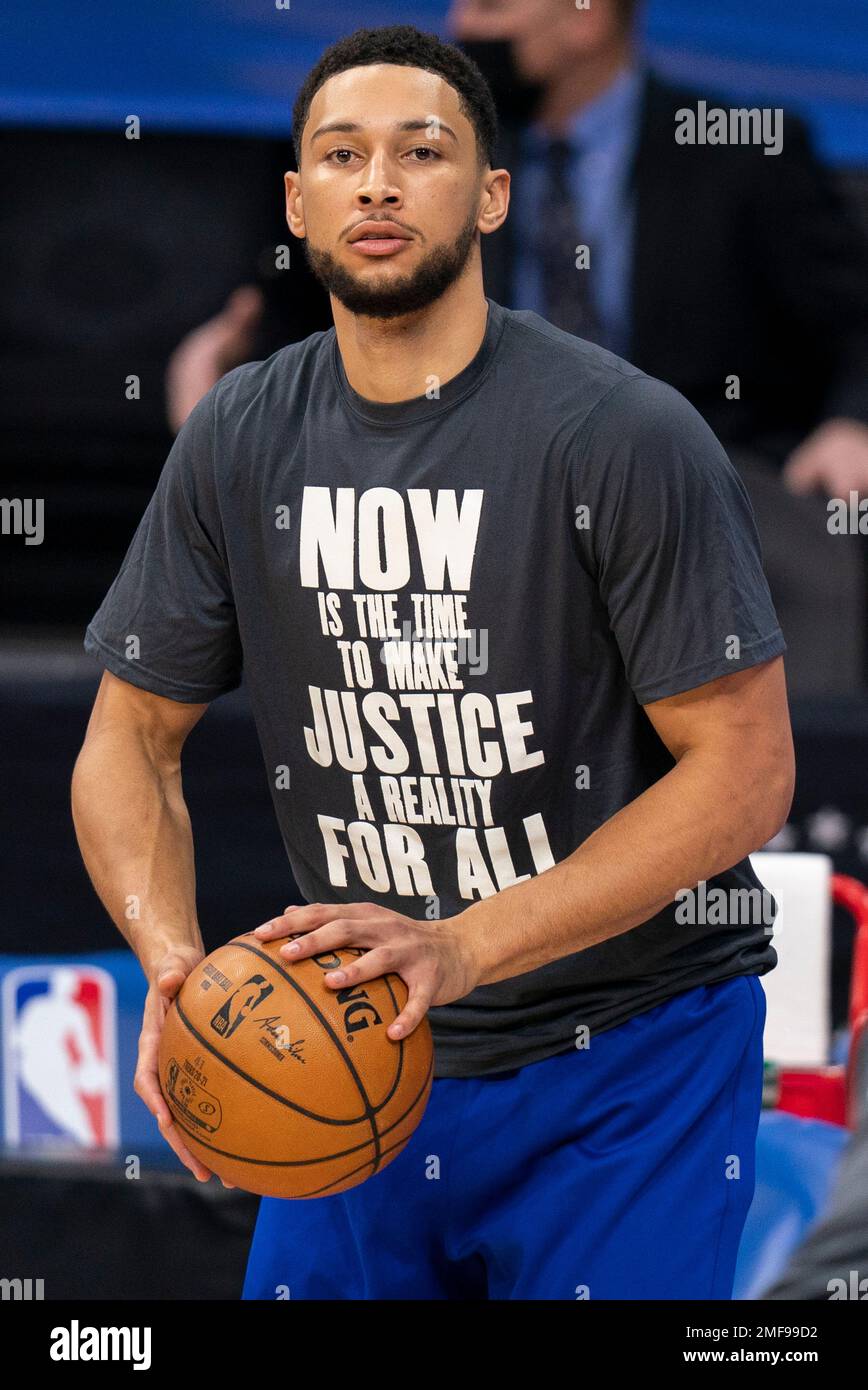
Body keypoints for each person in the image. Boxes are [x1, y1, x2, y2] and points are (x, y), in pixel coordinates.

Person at [73, 24, 795, 1300]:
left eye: (424, 151)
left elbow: (741, 773)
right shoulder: (242, 431)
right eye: (342, 156)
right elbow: (131, 737)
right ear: (298, 204)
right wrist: (175, 963)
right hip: (348, 1047)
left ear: (493, 194)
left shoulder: (621, 433)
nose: (379, 183)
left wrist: (463, 944)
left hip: (623, 1061)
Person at [168, 0, 868, 695]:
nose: (463, 27)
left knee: (809, 563)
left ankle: (793, 799)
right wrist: (233, 378)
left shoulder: (743, 149)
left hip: (710, 475)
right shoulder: (428, 154)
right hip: (460, 475)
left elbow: (853, 318)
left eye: (492, 7)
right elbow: (322, 315)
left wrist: (852, 423)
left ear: (586, 18)